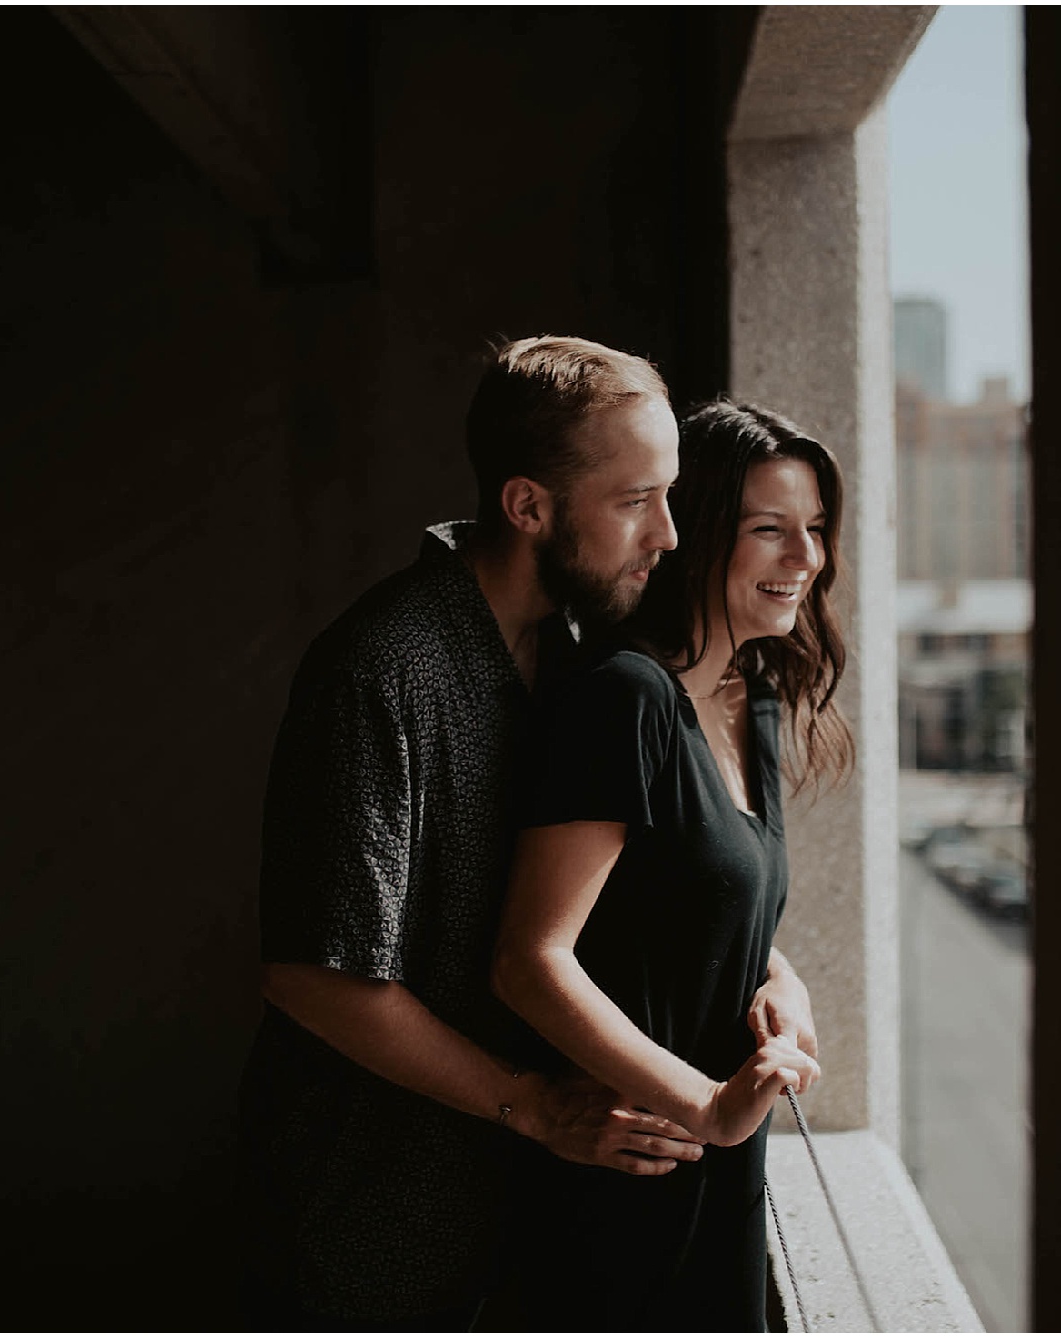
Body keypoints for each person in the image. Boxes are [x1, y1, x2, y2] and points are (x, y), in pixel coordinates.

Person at [242, 336, 716, 1330]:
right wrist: (531, 1105)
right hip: (373, 1222)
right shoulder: (380, 667)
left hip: (530, 1220)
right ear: (527, 506)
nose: (667, 535)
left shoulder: (584, 659)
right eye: (634, 501)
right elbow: (312, 976)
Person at [492, 398, 853, 1332]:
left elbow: (693, 895)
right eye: (769, 529)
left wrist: (781, 976)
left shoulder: (753, 701)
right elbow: (531, 961)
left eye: (815, 530)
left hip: (722, 1181)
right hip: (627, 1184)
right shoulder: (624, 696)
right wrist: (708, 1107)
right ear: (694, 536)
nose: (805, 559)